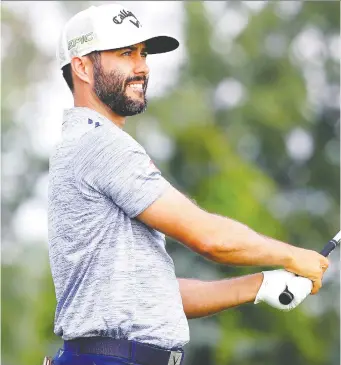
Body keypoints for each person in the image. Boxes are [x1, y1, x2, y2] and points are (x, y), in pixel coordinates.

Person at [47, 3, 329, 365]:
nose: (142, 67)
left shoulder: (86, 144)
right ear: (82, 66)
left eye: (143, 54)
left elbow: (152, 297)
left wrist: (262, 285)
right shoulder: (99, 144)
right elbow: (209, 238)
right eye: (125, 53)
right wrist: (294, 255)